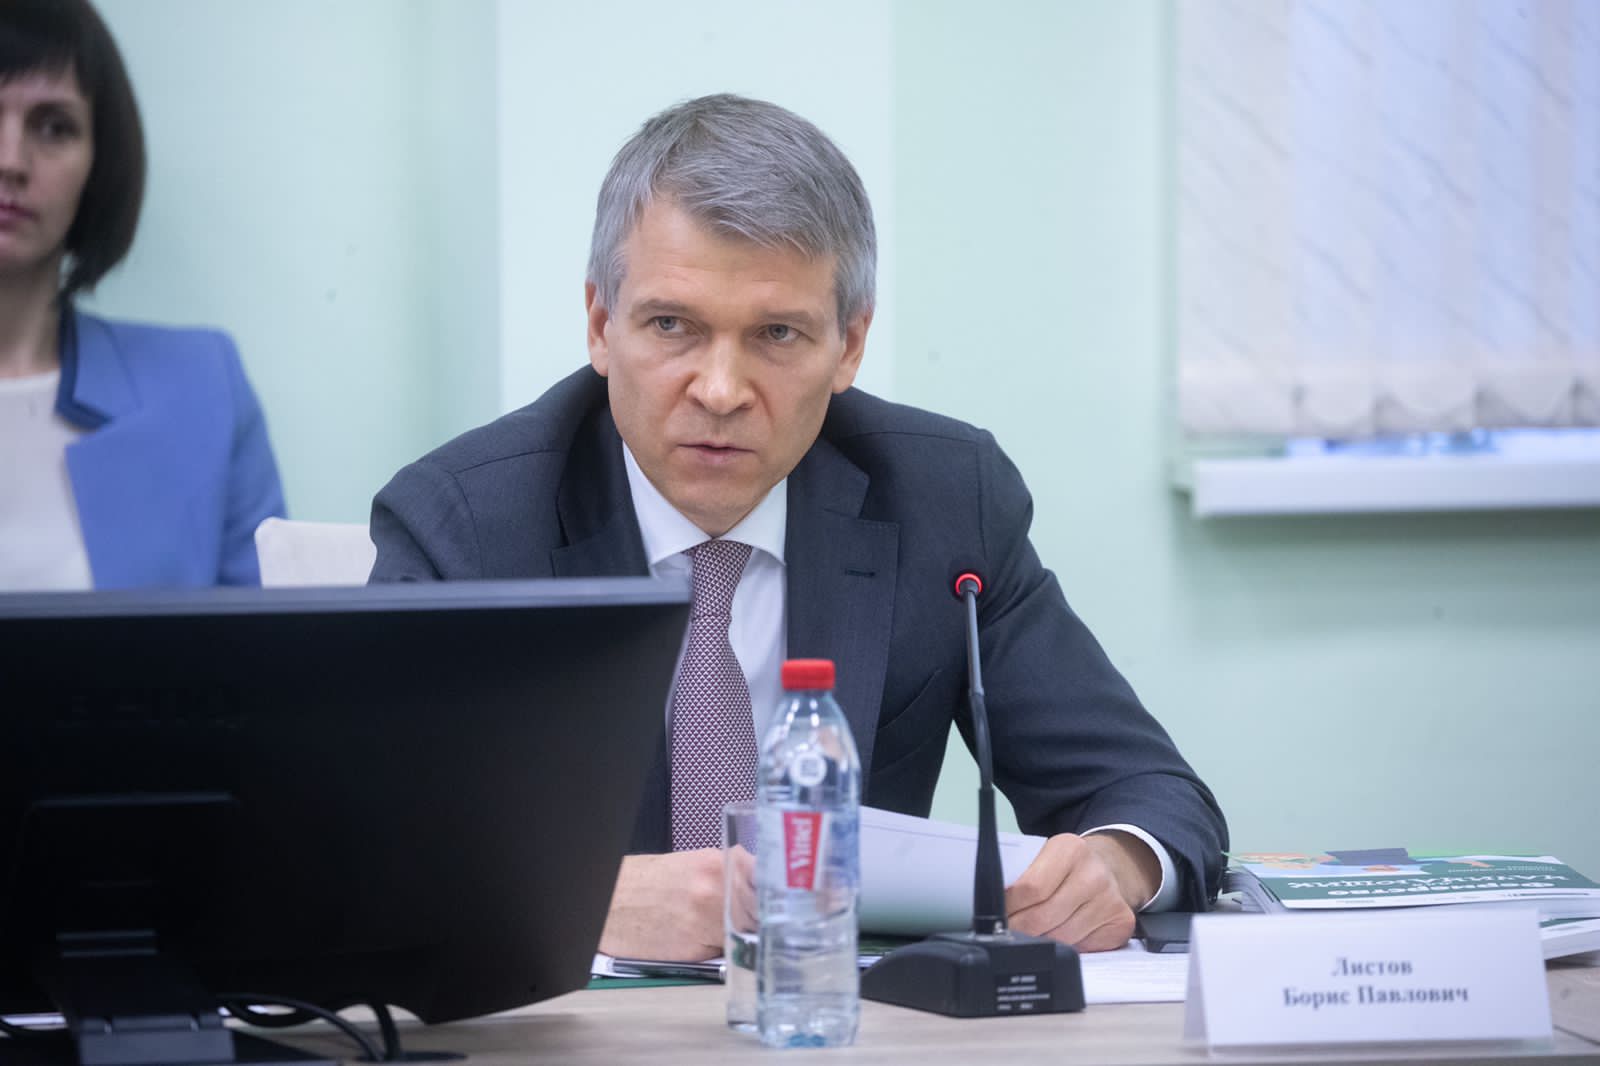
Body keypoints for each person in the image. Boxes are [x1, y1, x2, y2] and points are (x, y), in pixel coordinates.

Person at [371, 94, 1227, 960]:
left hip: (839, 1013)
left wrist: (1113, 866)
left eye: (776, 334)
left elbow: (1150, 793)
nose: (720, 390)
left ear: (849, 345)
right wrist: (585, 899)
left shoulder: (943, 498)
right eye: (672, 325)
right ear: (600, 325)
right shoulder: (469, 523)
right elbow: (359, 848)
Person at [0, 0, 284, 591]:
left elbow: (267, 645)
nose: (11, 161)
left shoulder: (204, 389)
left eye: (54, 126)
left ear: (99, 164)